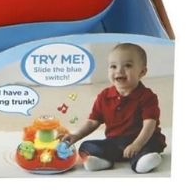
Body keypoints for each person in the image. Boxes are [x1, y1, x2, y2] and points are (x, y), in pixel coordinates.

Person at [63, 43, 166, 173]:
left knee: (151, 146)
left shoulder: (147, 96)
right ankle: (103, 162)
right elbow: (93, 122)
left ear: (142, 72)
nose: (119, 71)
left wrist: (137, 144)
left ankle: (142, 161)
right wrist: (76, 135)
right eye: (113, 66)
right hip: (116, 142)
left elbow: (149, 124)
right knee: (85, 146)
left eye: (128, 65)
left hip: (143, 140)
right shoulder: (104, 96)